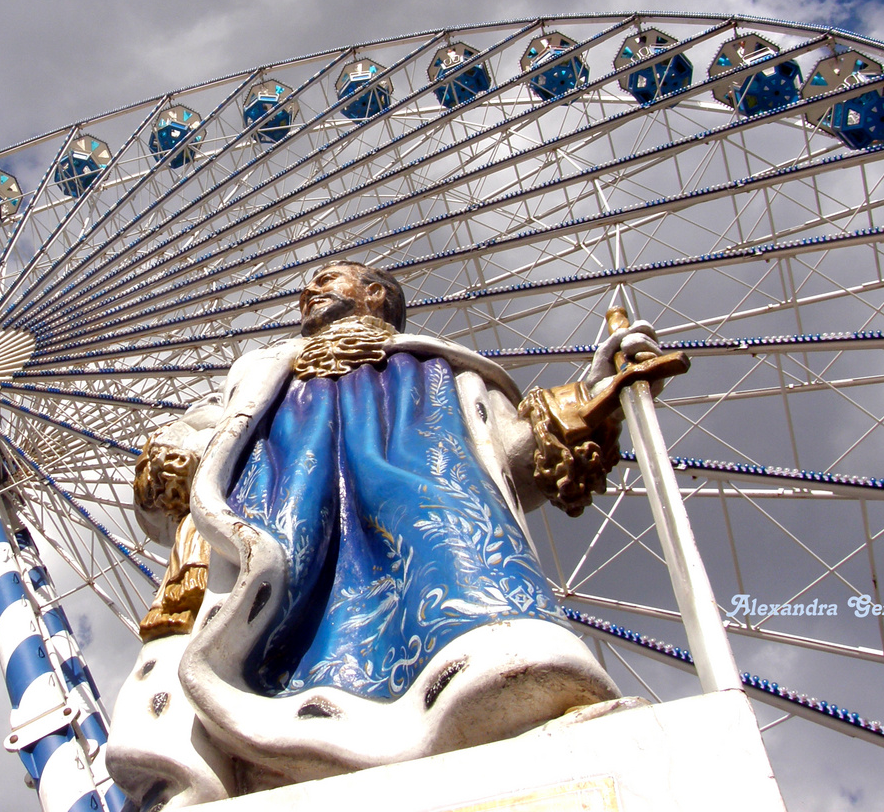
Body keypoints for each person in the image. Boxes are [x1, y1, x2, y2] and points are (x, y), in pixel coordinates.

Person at [107, 261, 684, 808]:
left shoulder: (437, 369)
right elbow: (186, 471)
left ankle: (503, 702)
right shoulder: (259, 381)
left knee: (466, 590)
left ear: (375, 295)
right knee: (256, 629)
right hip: (276, 526)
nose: (309, 292)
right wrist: (178, 457)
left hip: (425, 508)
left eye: (328, 280)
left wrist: (602, 388)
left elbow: (512, 450)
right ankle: (255, 753)